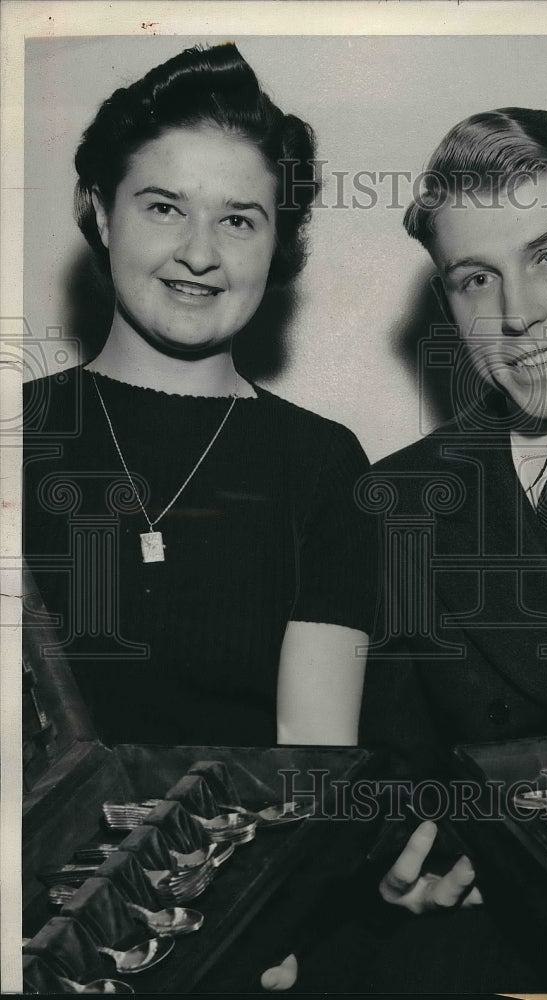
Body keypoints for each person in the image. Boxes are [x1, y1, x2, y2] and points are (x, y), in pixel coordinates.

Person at [262, 107, 547, 993]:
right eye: (473, 278)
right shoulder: (397, 501)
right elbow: (383, 775)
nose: (517, 314)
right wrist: (396, 856)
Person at [22, 43, 377, 750]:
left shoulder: (323, 465)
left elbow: (312, 757)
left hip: (252, 854)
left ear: (277, 244)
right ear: (101, 213)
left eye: (239, 219)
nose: (199, 253)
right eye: (164, 208)